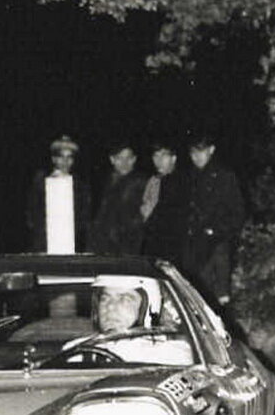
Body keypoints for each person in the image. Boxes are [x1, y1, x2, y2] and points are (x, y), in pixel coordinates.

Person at [181, 133, 245, 309]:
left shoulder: (224, 176)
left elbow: (237, 212)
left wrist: (216, 231)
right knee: (194, 296)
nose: (197, 156)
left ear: (211, 150)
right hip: (192, 245)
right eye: (193, 152)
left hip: (216, 245)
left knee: (217, 298)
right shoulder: (188, 177)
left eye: (201, 151)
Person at [64, 277, 192, 366]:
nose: (110, 307)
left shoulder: (171, 355)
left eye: (124, 299)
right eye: (105, 298)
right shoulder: (75, 352)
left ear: (148, 307)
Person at [27, 135, 92, 253]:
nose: (65, 161)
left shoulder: (80, 184)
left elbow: (84, 214)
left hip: (71, 241)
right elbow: (33, 212)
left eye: (69, 157)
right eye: (61, 157)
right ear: (54, 159)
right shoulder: (41, 180)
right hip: (44, 241)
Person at [92, 141, 148, 255]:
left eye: (128, 158)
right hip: (105, 243)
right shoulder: (104, 181)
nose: (124, 163)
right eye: (119, 158)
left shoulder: (141, 182)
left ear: (134, 159)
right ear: (112, 160)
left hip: (129, 243)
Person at [140, 141, 189, 266]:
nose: (159, 160)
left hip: (171, 248)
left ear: (173, 158)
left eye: (163, 155)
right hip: (152, 245)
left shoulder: (181, 182)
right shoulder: (153, 181)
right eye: (155, 156)